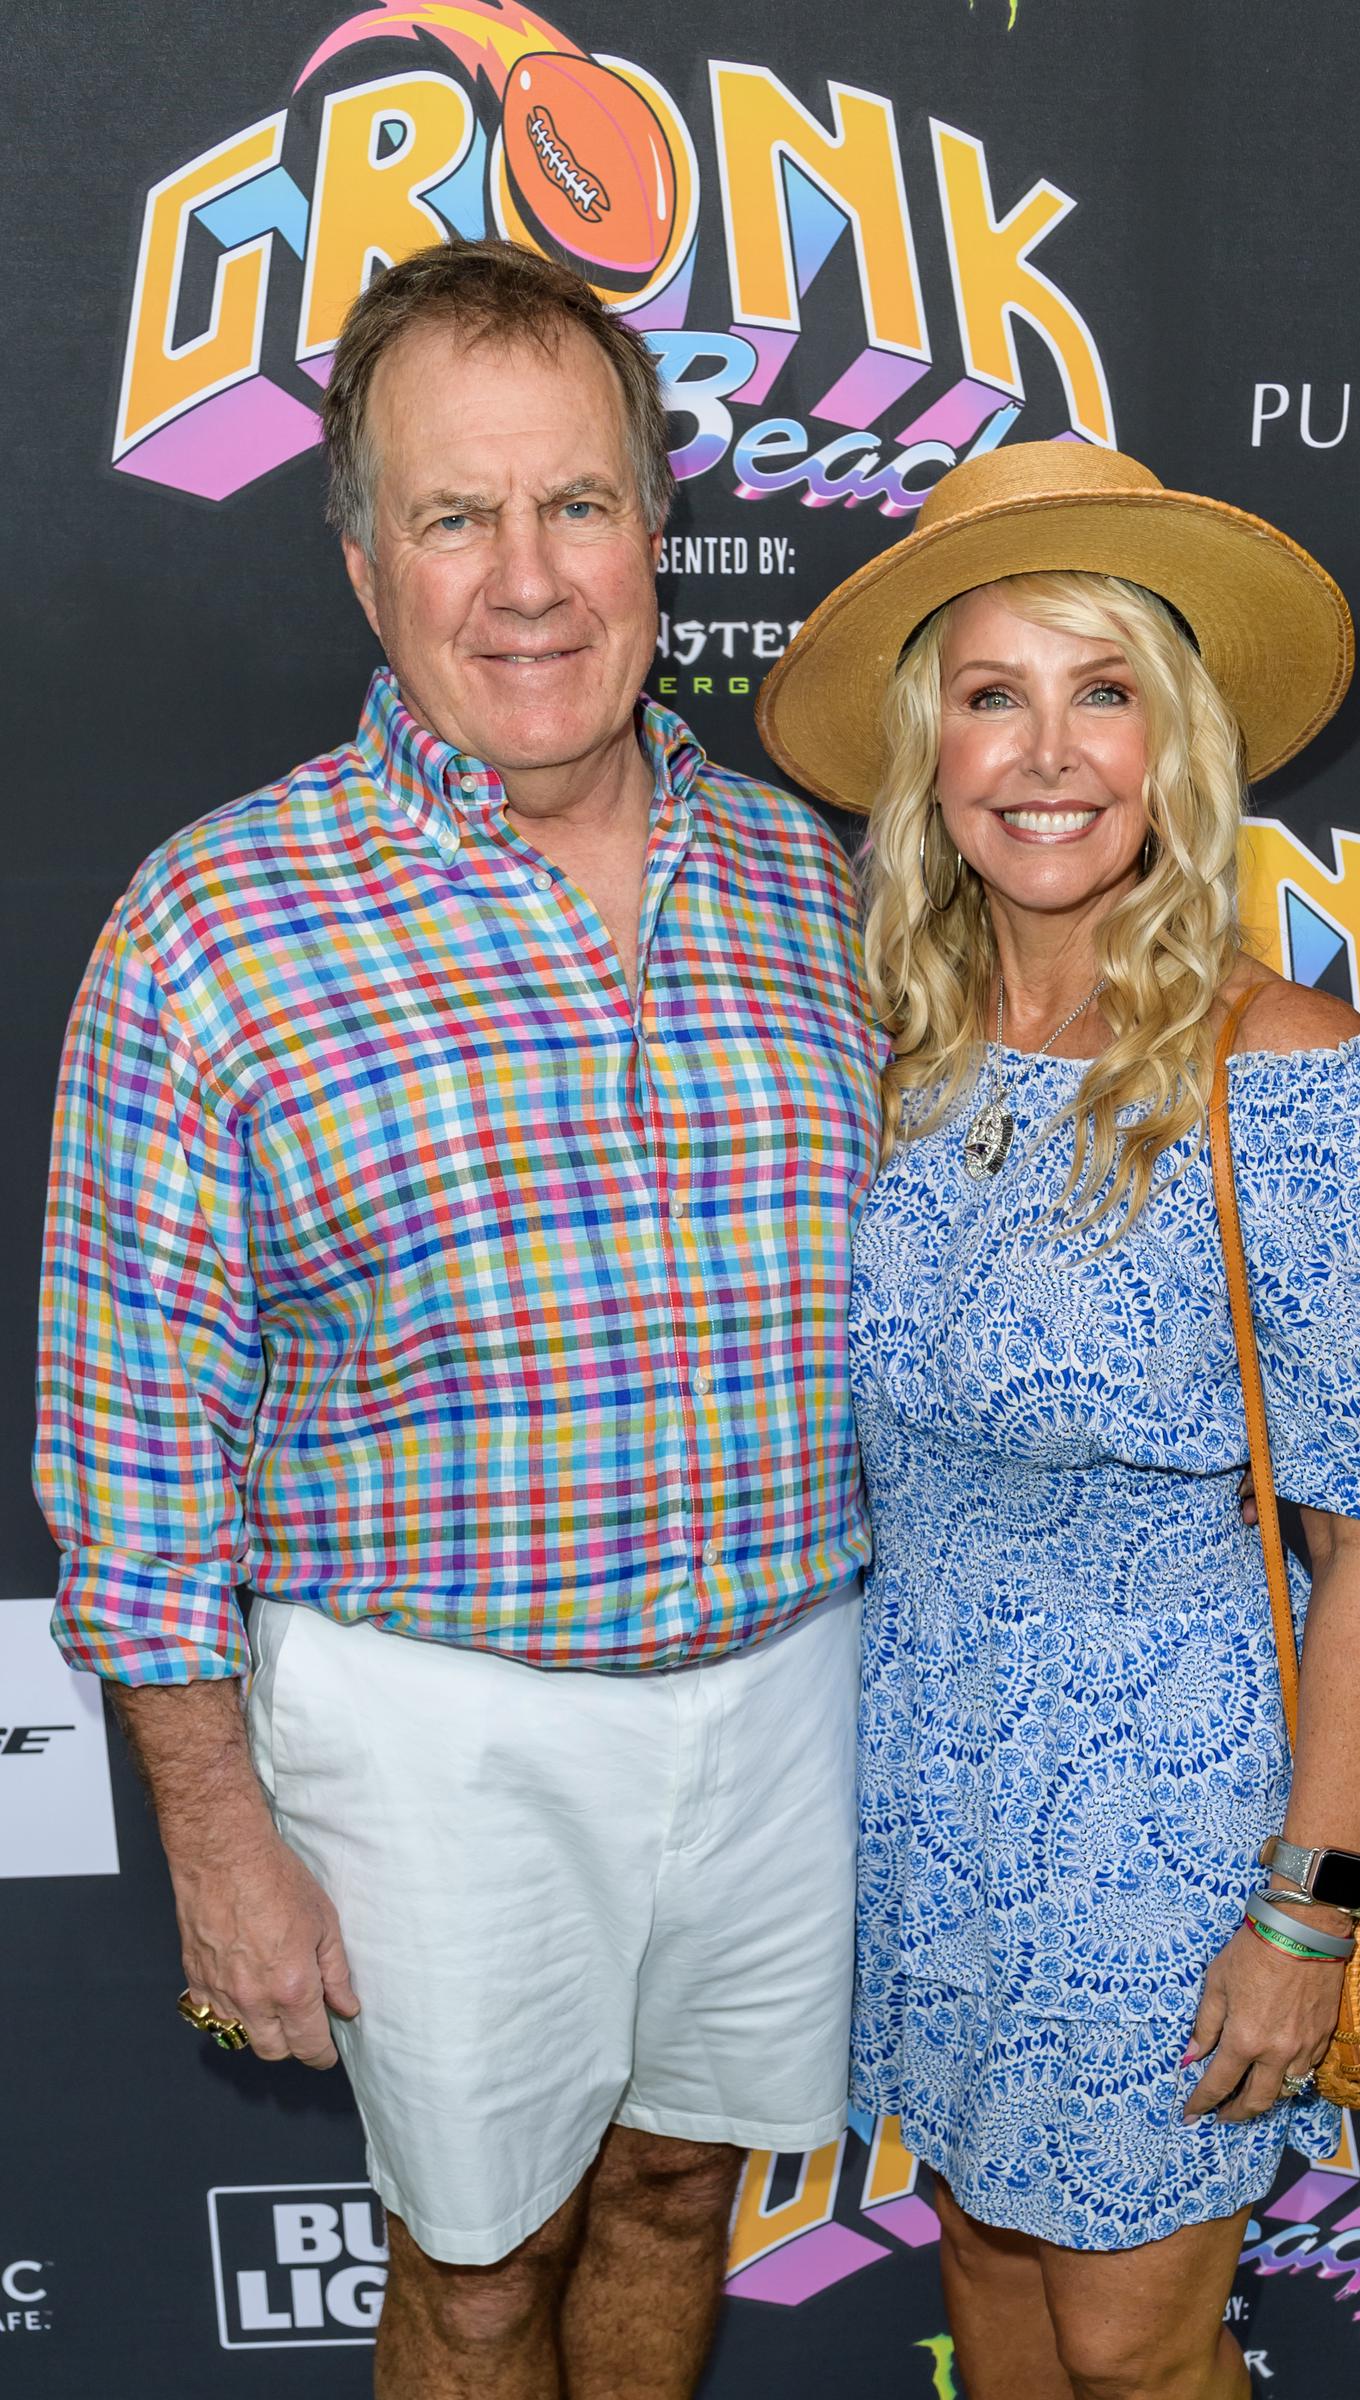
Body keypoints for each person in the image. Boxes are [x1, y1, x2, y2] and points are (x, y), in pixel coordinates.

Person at [34, 238, 884, 2400]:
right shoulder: (210, 928)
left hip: (790, 1689)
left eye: (574, 504)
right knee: (481, 2269)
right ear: (363, 568)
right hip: (436, 1728)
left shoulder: (816, 885)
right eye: (454, 515)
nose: (525, 579)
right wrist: (218, 1840)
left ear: (655, 526)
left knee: (684, 2191)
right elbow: (133, 1453)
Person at [756, 441, 1360, 2400]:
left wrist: (1303, 1913)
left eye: (1103, 694)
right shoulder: (892, 1053)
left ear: (1173, 744)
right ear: (931, 750)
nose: (1046, 752)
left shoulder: (1284, 1070)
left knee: (1131, 2352)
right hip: (922, 1805)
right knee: (987, 2307)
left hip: (1170, 1837)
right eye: (991, 694)